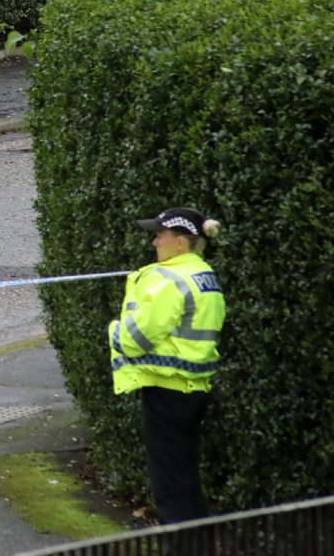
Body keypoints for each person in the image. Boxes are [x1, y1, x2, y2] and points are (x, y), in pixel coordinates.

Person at [108, 206, 226, 525]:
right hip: (194, 389)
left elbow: (135, 339)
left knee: (170, 490)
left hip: (166, 391)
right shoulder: (203, 275)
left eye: (160, 235)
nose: (154, 243)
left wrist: (114, 329)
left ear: (180, 242)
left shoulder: (168, 280)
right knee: (187, 482)